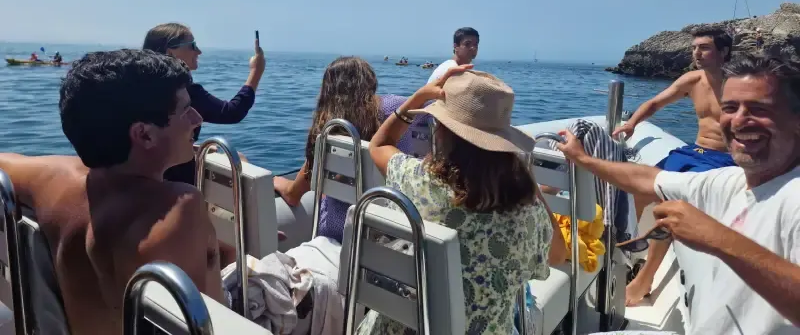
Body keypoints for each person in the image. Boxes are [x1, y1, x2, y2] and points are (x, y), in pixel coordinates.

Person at [562, 54, 800, 335]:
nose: (739, 120)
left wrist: (716, 238)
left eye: (760, 109)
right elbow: (649, 179)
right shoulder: (730, 181)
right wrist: (584, 160)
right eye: (730, 107)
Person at [0, 50, 223, 335]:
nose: (197, 118)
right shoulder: (179, 209)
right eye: (185, 110)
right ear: (144, 134)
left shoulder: (55, 180)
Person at [361, 67, 564, 335]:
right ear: (503, 143)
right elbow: (559, 255)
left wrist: (418, 98)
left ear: (442, 132)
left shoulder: (413, 180)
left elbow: (379, 144)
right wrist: (526, 182)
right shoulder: (526, 214)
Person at [612, 27, 735, 304]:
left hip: (725, 159)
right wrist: (632, 124)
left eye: (704, 47)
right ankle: (620, 253)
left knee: (668, 205)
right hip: (693, 151)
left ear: (724, 52)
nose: (697, 53)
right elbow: (656, 103)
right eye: (694, 48)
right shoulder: (693, 80)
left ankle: (645, 279)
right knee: (636, 189)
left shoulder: (739, 83)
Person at [273, 56, 426, 242]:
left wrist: (284, 185)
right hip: (392, 230)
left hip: (337, 231)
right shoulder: (393, 107)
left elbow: (294, 194)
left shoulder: (328, 125)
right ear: (371, 81)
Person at [143, 23, 265, 185]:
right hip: (179, 184)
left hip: (148, 179)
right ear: (170, 52)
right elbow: (232, 112)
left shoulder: (140, 89)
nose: (199, 51)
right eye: (192, 45)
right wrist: (256, 71)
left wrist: (192, 146)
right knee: (239, 159)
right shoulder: (185, 93)